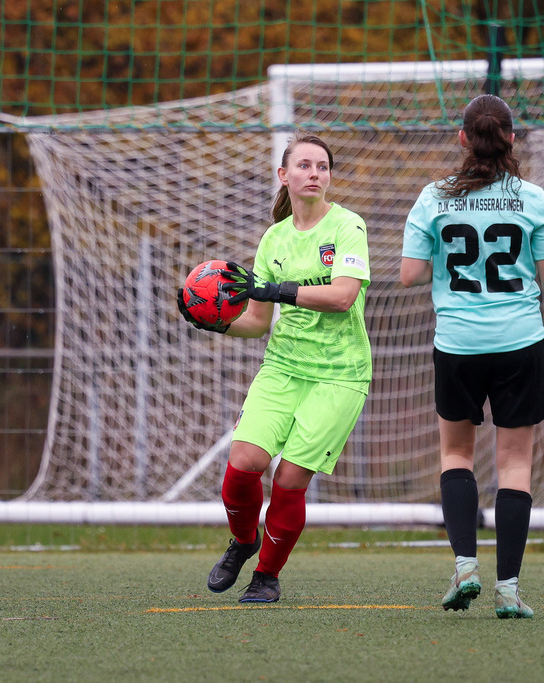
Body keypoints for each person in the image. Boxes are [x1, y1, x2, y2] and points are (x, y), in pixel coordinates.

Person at [177, 130, 372, 604]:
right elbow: (259, 321)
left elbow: (344, 296)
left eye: (322, 166)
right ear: (283, 176)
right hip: (282, 367)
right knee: (242, 468)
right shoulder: (274, 239)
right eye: (303, 166)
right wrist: (217, 324)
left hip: (339, 374)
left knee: (288, 480)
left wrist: (278, 290)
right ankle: (243, 542)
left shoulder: (348, 226)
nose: (314, 173)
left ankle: (266, 575)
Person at [400, 94, 544, 619]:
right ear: (512, 140)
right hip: (520, 342)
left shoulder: (433, 197)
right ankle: (509, 591)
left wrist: (446, 254)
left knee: (457, 457)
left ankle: (465, 567)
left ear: (462, 139)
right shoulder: (532, 197)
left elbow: (409, 274)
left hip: (458, 344)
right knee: (515, 463)